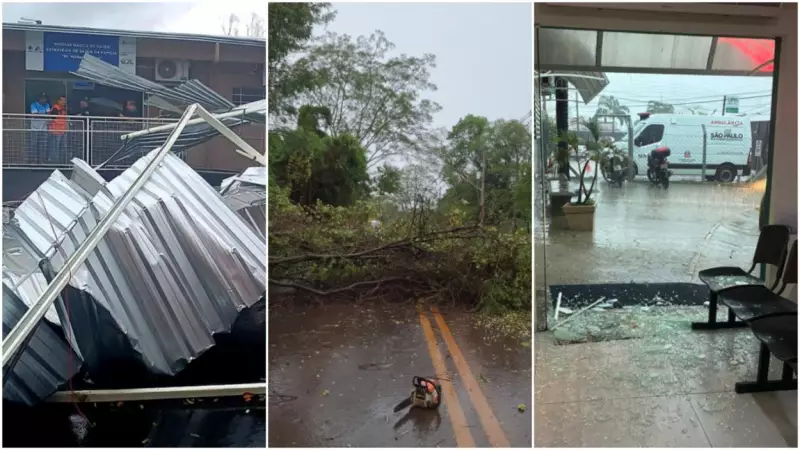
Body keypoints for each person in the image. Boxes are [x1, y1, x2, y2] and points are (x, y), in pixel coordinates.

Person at [29, 93, 50, 163]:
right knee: (34, 145)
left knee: (43, 145)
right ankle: (33, 161)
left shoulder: (47, 105)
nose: (44, 99)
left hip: (44, 128)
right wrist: (44, 115)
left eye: (45, 98)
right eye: (42, 98)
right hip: (34, 128)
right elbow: (35, 115)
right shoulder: (33, 105)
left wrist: (41, 115)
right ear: (39, 98)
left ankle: (42, 161)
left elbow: (49, 114)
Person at [47, 96, 68, 164]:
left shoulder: (64, 109)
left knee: (63, 147)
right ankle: (55, 161)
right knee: (55, 147)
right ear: (58, 101)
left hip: (63, 131)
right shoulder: (55, 108)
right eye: (62, 100)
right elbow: (51, 119)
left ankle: (62, 161)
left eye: (64, 100)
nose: (63, 102)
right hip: (55, 131)